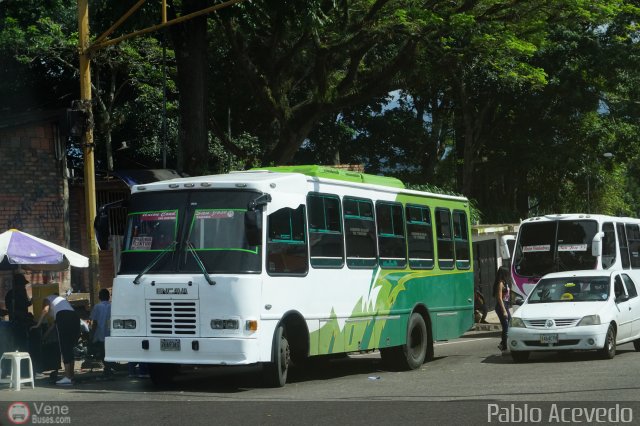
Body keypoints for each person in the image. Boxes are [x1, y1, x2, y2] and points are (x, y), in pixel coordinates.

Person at [31, 293, 80, 385]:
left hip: (64, 318)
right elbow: (53, 326)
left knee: (64, 347)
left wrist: (38, 324)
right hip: (75, 317)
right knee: (69, 347)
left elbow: (45, 310)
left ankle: (68, 377)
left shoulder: (47, 298)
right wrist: (44, 337)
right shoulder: (61, 303)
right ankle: (71, 376)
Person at [90, 288, 115, 376]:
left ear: (99, 297)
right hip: (111, 333)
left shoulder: (97, 306)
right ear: (109, 297)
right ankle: (109, 367)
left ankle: (107, 367)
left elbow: (95, 322)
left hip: (100, 333)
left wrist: (92, 335)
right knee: (110, 351)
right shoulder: (113, 306)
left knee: (102, 351)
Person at [4, 272, 32, 351]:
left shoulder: (23, 292)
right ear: (16, 284)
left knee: (24, 345)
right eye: (22, 284)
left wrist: (31, 301)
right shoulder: (11, 294)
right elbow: (10, 310)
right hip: (16, 323)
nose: (23, 286)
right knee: (17, 345)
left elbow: (27, 303)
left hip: (24, 323)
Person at [494, 267, 512, 352]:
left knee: (509, 324)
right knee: (505, 326)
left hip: (506, 305)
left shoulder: (505, 282)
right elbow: (499, 298)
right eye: (506, 274)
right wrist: (504, 310)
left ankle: (502, 344)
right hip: (501, 306)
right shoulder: (500, 283)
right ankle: (503, 345)